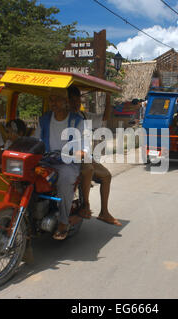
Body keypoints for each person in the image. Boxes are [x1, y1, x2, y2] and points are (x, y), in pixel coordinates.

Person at [67, 85, 122, 227]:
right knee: (88, 169)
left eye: (78, 100)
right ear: (65, 101)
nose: (75, 103)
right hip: (70, 156)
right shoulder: (62, 116)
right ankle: (86, 204)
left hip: (85, 156)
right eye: (72, 100)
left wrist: (108, 95)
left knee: (106, 176)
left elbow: (105, 116)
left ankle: (104, 212)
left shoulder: (84, 116)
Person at [34, 93, 85, 240]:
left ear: (66, 101)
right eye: (51, 99)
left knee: (65, 179)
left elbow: (84, 146)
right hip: (46, 161)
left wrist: (79, 152)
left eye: (57, 98)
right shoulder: (44, 120)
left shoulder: (78, 122)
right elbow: (35, 140)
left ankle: (63, 222)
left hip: (67, 162)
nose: (53, 102)